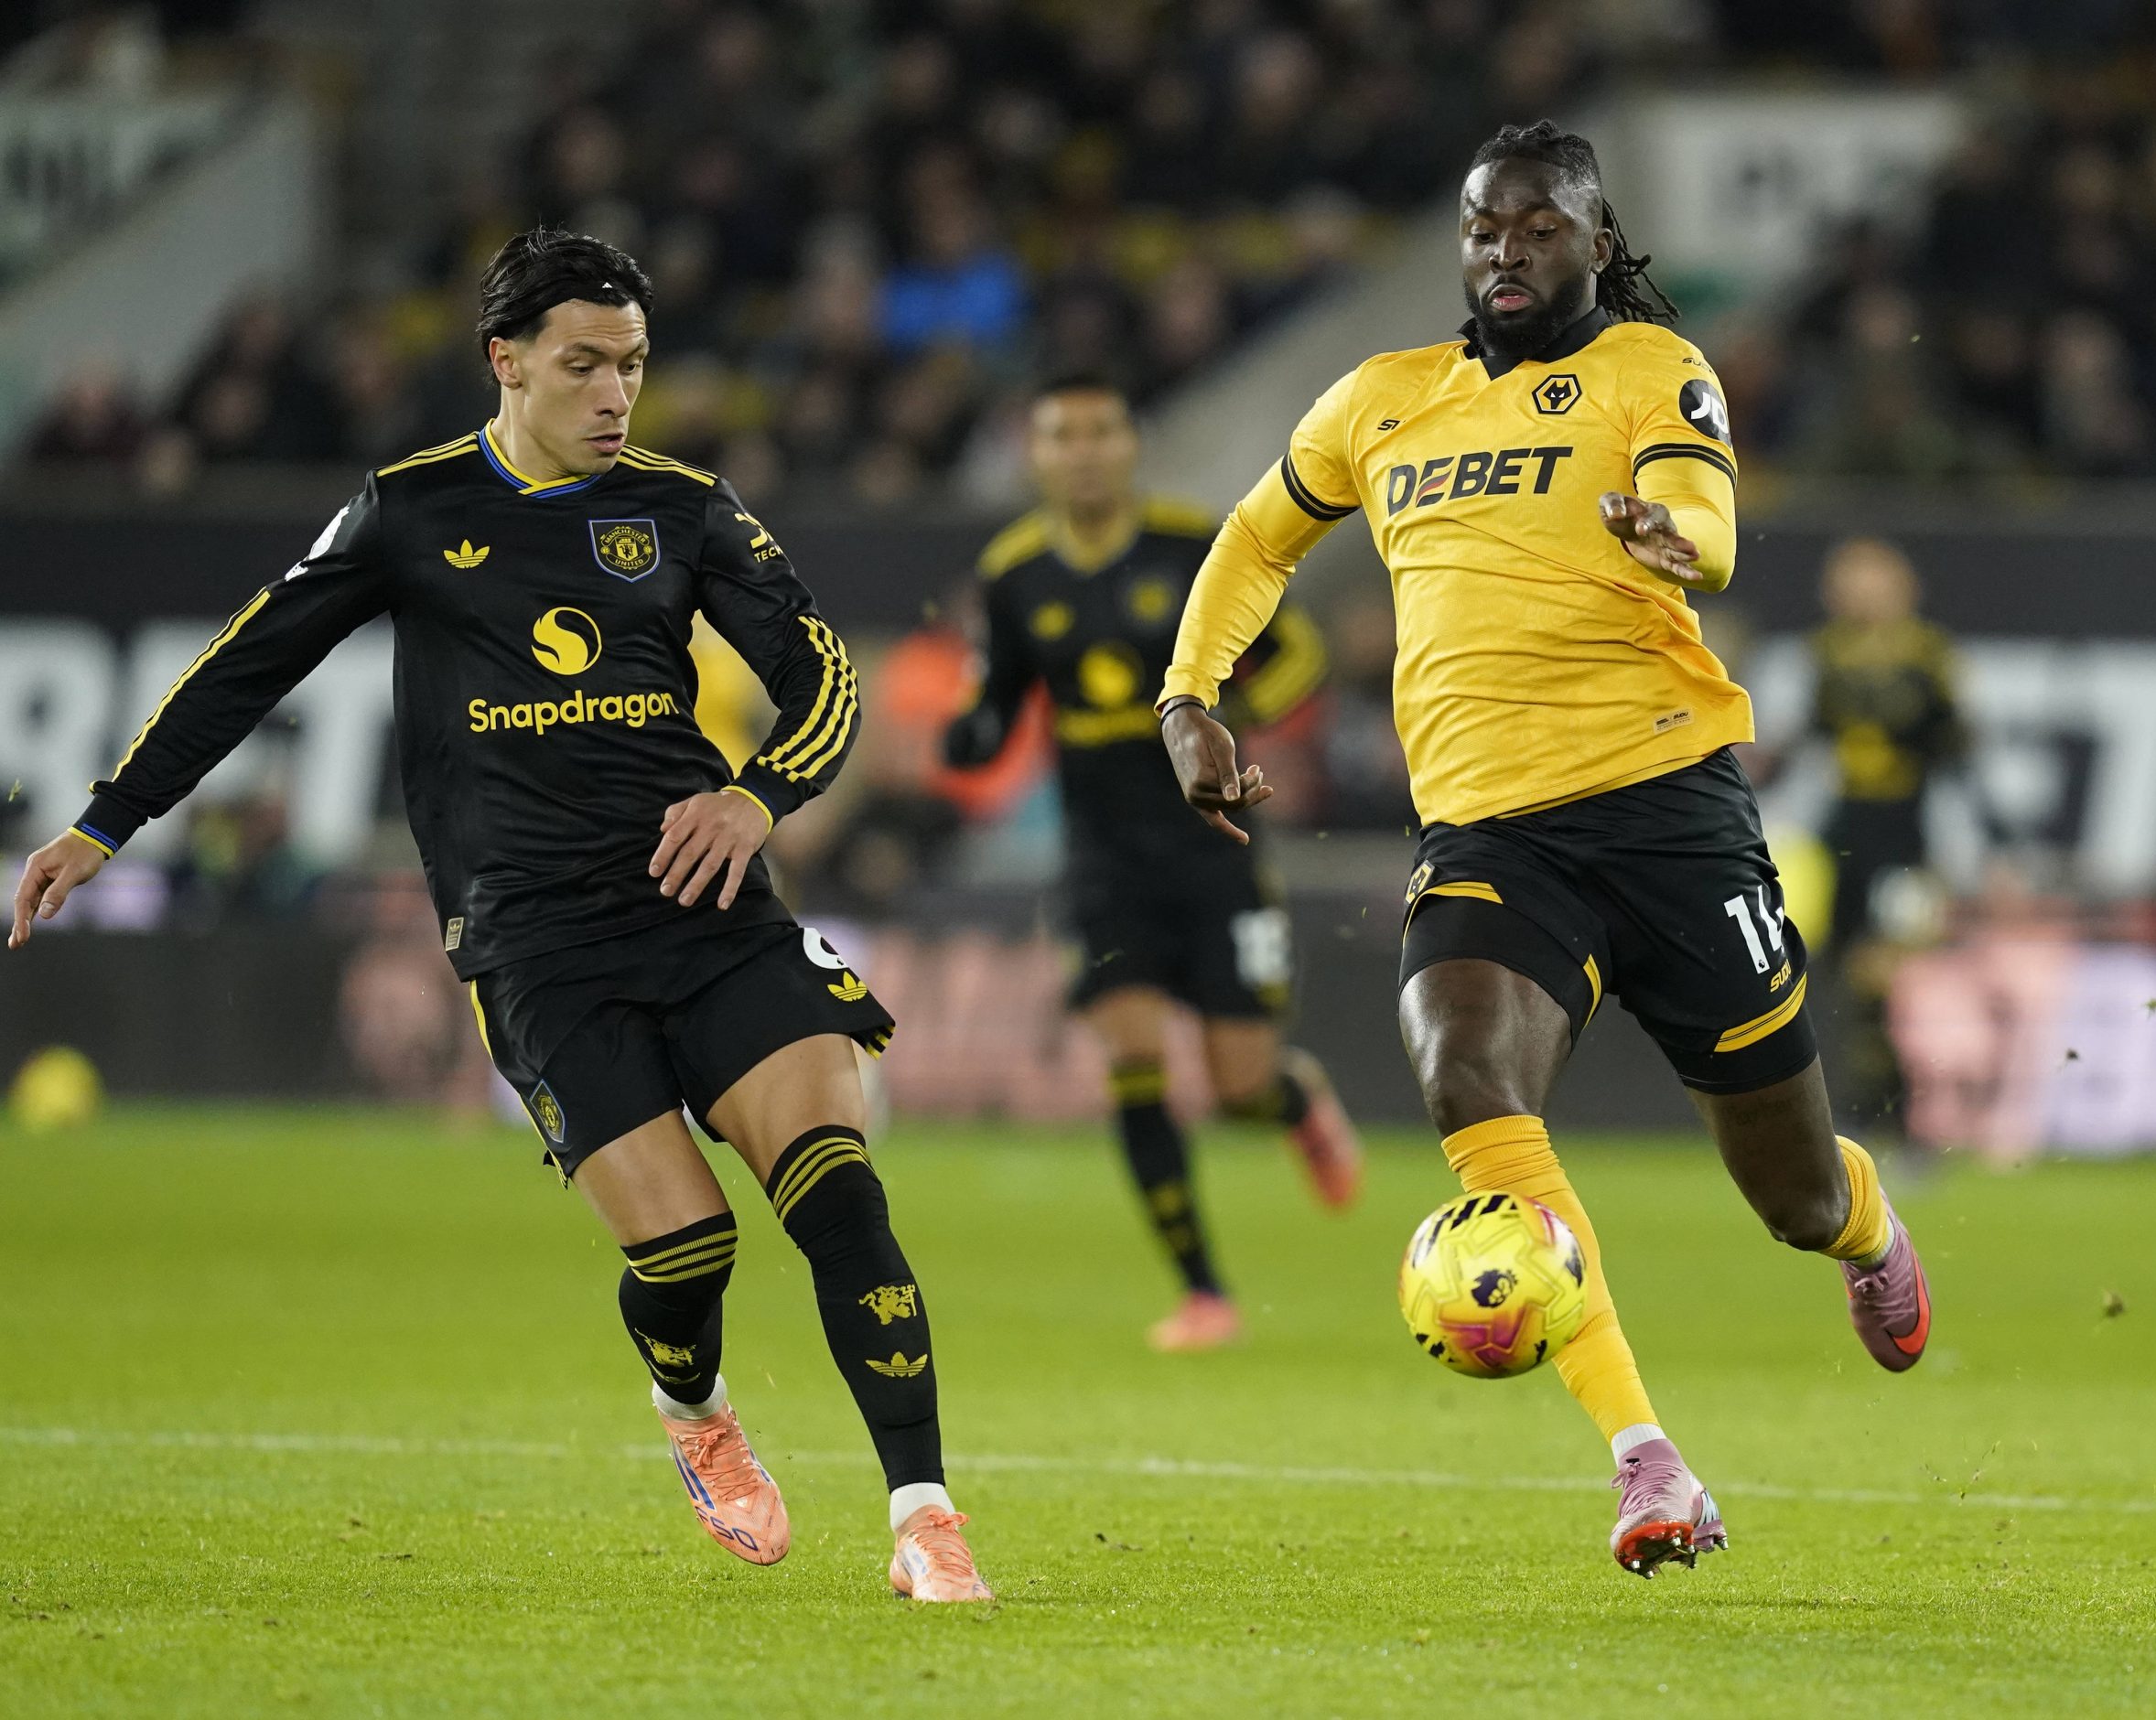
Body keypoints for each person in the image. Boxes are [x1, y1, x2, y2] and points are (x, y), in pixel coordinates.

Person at [7, 229, 990, 1604]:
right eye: (584, 365)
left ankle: (926, 1519)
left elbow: (823, 672)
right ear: (505, 361)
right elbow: (246, 664)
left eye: (633, 366)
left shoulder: (684, 507)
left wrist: (759, 801)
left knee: (838, 1190)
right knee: (688, 1250)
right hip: (534, 943)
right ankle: (693, 1409)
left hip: (708, 910)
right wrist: (106, 821)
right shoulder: (407, 513)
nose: (614, 395)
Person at [1155, 122, 1934, 1577]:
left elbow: (1711, 517)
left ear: (1594, 237)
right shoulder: (1382, 401)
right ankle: (1651, 1464)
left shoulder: (1653, 367)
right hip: (1491, 833)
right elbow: (1255, 539)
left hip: (1669, 815)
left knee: (1792, 1195)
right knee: (1464, 1072)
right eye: (1481, 228)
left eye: (1536, 227)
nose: (1504, 251)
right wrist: (1189, 692)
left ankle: (1867, 1225)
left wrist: (1672, 537)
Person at [943, 374, 1363, 1352]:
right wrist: (969, 736)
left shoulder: (1194, 547)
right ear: (1035, 454)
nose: (1081, 450)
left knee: (1236, 1082)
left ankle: (1294, 1102)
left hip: (1211, 850)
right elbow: (997, 703)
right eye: (1060, 433)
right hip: (1102, 860)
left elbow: (1298, 652)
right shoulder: (1013, 574)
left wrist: (1228, 723)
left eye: (1099, 431)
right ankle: (1203, 1290)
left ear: (1130, 446)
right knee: (1131, 1053)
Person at [1807, 536, 1967, 1134]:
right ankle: (1860, 1108)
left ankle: (1899, 1114)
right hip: (1844, 831)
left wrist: (1989, 841)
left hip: (1904, 831)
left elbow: (1956, 750)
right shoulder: (1826, 653)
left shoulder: (1927, 657)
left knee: (1891, 975)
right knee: (1847, 972)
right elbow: (1812, 738)